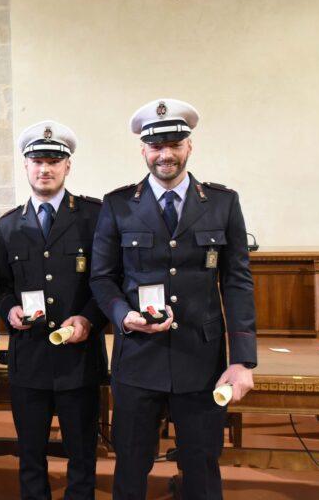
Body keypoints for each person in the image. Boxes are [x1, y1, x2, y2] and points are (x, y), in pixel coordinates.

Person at [90, 98, 257, 500]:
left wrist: (242, 361)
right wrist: (122, 315)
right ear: (143, 151)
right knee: (130, 466)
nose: (165, 154)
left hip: (200, 360)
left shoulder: (222, 202)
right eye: (156, 146)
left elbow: (237, 282)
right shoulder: (117, 205)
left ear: (189, 146)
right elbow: (102, 278)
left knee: (201, 465)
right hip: (137, 357)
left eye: (174, 144)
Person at [0, 121, 108, 500]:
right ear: (26, 166)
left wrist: (89, 319)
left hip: (79, 360)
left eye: (54, 161)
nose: (45, 169)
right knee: (30, 456)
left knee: (82, 456)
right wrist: (10, 311)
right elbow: (1, 287)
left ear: (67, 166)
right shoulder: (8, 226)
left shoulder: (94, 217)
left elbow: (108, 282)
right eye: (37, 161)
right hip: (29, 359)